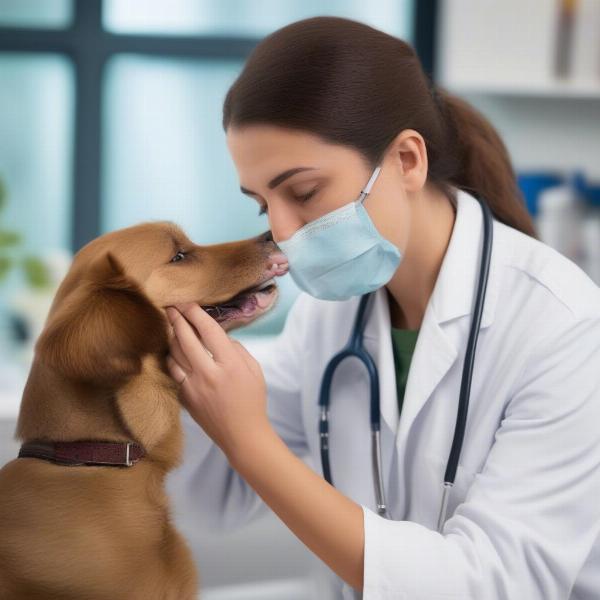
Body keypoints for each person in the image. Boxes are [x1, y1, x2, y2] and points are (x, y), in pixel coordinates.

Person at [164, 16, 600, 600]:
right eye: (262, 205)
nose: (284, 234)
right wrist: (172, 366)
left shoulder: (563, 325)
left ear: (407, 160)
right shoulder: (328, 319)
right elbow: (210, 500)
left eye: (303, 193)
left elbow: (494, 584)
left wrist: (249, 440)